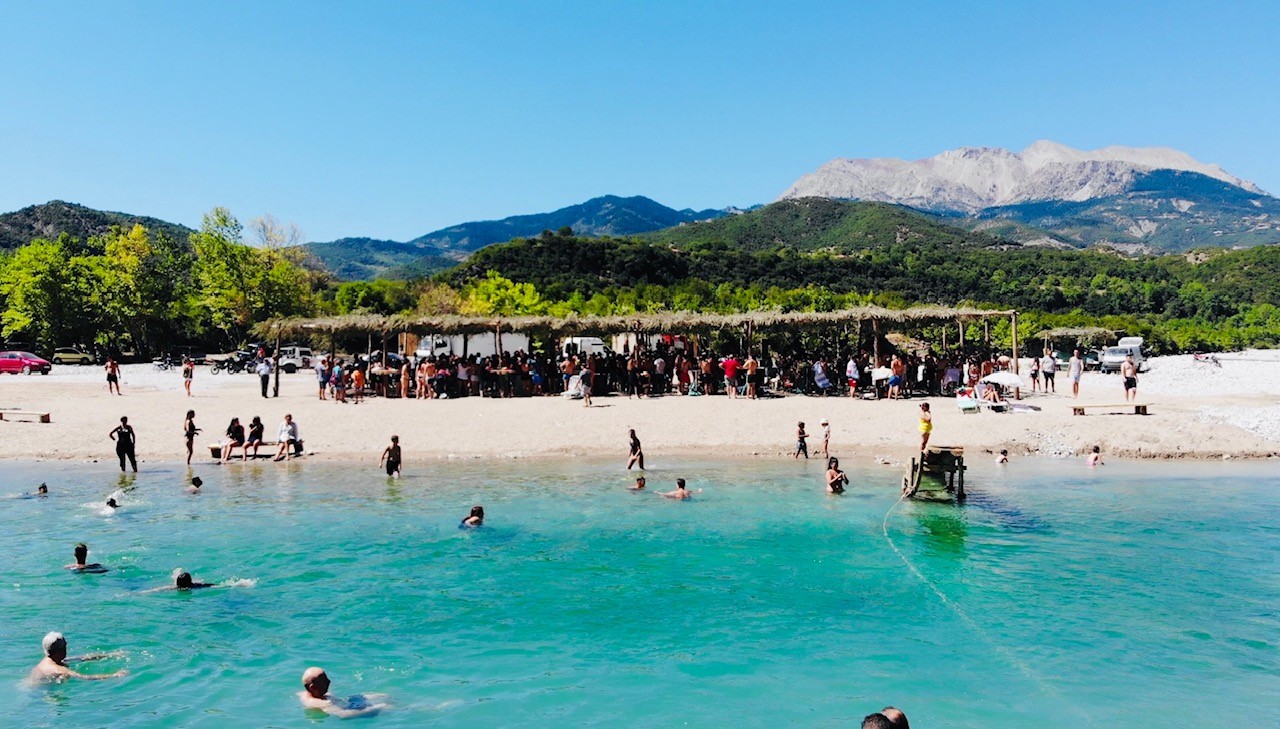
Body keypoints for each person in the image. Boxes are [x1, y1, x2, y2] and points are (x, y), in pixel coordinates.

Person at [29, 632, 126, 682]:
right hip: (37, 694)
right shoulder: (59, 669)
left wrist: (110, 655)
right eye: (65, 646)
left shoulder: (50, 660)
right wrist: (114, 675)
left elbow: (82, 658)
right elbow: (85, 677)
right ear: (59, 651)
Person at [298, 667, 388, 718]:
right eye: (324, 681)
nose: (329, 681)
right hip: (349, 708)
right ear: (313, 687)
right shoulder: (321, 704)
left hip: (346, 701)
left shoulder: (305, 693)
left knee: (381, 696)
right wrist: (376, 708)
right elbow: (343, 715)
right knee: (385, 705)